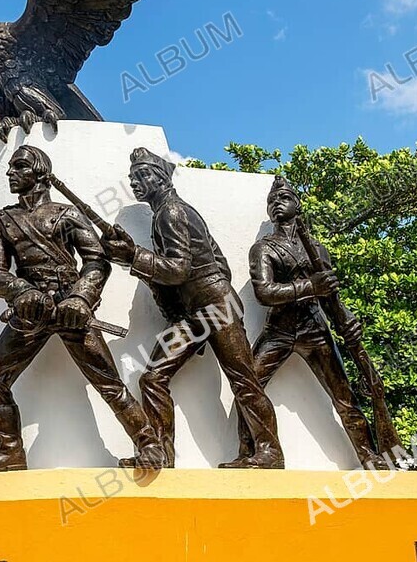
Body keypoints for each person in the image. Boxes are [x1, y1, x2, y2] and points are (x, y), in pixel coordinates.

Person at [0, 145, 163, 472]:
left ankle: (150, 445)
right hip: (30, 313)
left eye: (19, 167)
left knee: (109, 383)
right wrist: (22, 291)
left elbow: (96, 261)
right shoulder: (2, 221)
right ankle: (11, 453)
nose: (9, 173)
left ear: (40, 175)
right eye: (11, 167)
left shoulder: (67, 215)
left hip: (71, 309)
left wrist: (81, 298)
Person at [101, 147, 283, 469]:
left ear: (160, 178)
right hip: (201, 310)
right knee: (153, 377)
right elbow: (218, 261)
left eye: (142, 176)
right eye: (132, 178)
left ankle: (269, 452)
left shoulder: (171, 212)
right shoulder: (168, 214)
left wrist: (134, 256)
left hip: (215, 306)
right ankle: (160, 455)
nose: (135, 183)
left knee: (243, 380)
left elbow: (178, 270)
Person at [224, 176, 385, 469]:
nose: (276, 203)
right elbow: (265, 293)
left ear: (298, 205)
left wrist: (345, 320)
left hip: (315, 329)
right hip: (279, 330)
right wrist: (311, 286)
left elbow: (330, 296)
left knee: (344, 397)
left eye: (284, 197)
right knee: (248, 388)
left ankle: (371, 456)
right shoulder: (264, 248)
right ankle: (255, 453)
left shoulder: (317, 249)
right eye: (272, 200)